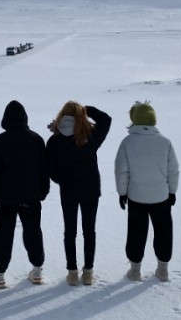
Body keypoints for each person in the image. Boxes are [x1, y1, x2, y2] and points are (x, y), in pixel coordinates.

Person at [0, 100, 50, 289]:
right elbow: (43, 169)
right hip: (31, 196)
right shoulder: (36, 139)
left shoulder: (0, 140)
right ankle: (37, 270)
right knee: (33, 231)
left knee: (3, 233)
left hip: (5, 197)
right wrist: (43, 191)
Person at [46, 101, 111, 286]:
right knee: (89, 231)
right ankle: (88, 272)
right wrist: (86, 110)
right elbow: (106, 119)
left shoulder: (54, 140)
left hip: (68, 189)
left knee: (70, 231)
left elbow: (51, 170)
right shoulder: (89, 136)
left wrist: (62, 179)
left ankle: (72, 272)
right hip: (90, 188)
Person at [115, 101, 179, 282]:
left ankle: (135, 271)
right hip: (161, 197)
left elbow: (121, 170)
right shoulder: (165, 142)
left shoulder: (127, 142)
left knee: (136, 233)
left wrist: (122, 193)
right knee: (164, 232)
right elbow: (173, 170)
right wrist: (172, 191)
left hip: (137, 197)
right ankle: (163, 270)